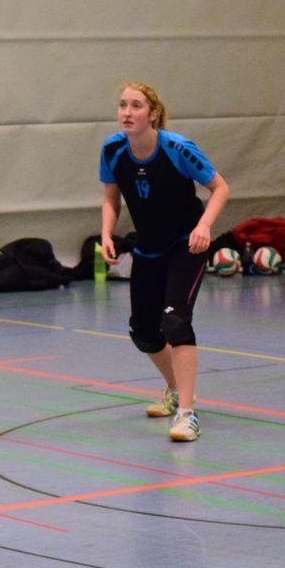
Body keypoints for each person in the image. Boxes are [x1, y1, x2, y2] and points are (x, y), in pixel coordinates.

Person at [100, 83, 230, 443]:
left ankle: (188, 414)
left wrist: (204, 227)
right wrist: (107, 234)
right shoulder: (113, 149)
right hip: (148, 248)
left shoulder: (177, 148)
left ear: (152, 113)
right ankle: (174, 390)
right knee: (143, 331)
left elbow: (220, 188)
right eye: (122, 105)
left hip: (185, 246)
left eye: (136, 105)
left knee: (174, 321)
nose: (127, 112)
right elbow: (111, 197)